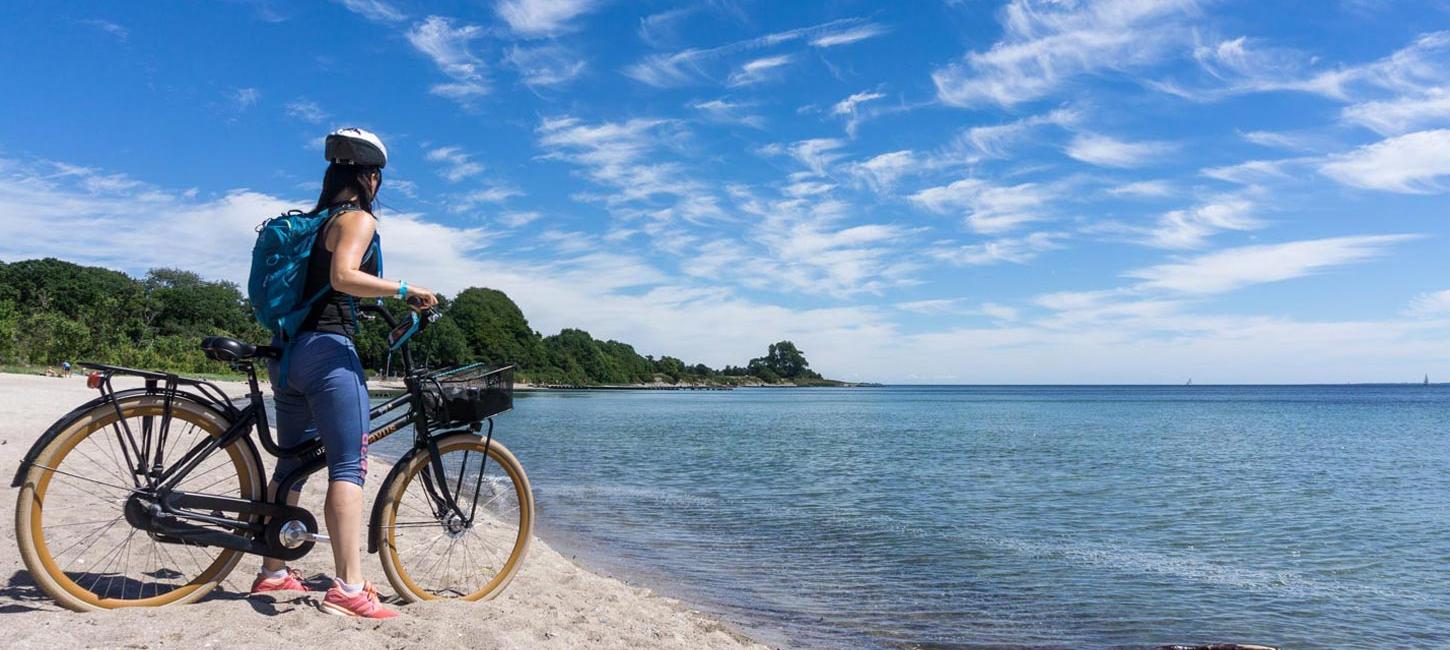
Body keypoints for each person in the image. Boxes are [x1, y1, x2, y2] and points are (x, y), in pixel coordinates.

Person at [248, 128, 437, 618]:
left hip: (287, 355)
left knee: (290, 463)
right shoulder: (356, 220)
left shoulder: (315, 222)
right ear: (371, 178)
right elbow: (343, 278)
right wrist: (405, 288)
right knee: (348, 466)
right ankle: (349, 588)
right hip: (327, 354)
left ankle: (273, 571)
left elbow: (329, 287)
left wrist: (375, 304)